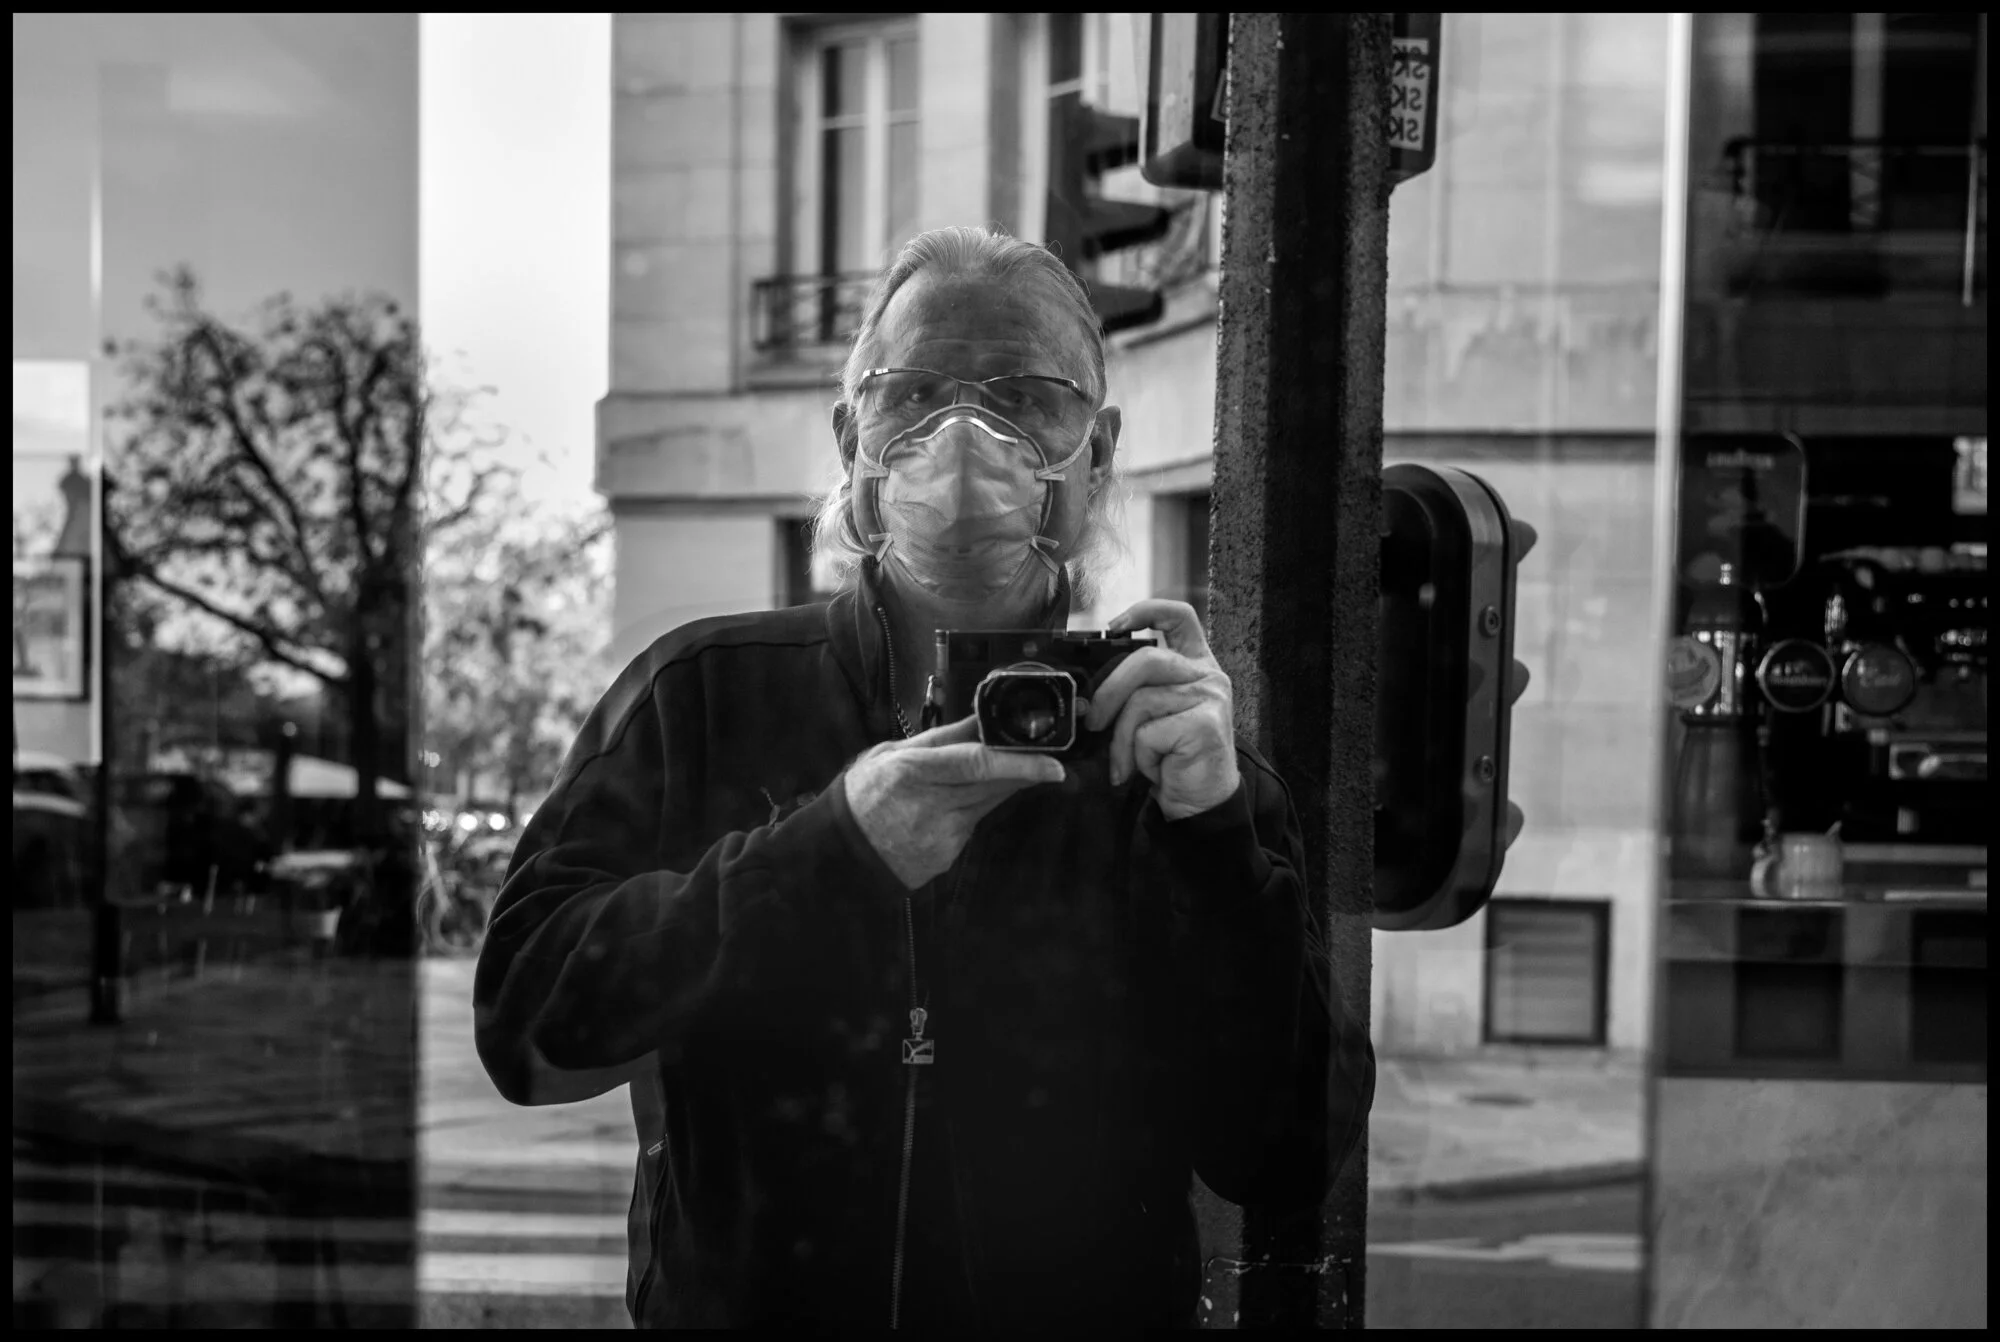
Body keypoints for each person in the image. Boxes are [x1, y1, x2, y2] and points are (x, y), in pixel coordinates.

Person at [474, 225, 1375, 1332]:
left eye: (1025, 396)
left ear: (1096, 453)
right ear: (851, 437)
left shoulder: (1162, 749)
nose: (962, 435)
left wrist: (1215, 838)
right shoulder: (701, 694)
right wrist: (832, 852)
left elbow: (1287, 1156)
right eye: (911, 394)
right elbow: (527, 1023)